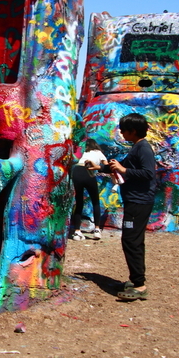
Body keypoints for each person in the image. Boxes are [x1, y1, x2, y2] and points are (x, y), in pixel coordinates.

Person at [100, 113, 156, 301]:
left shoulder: (144, 148)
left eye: (123, 130)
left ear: (133, 131)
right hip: (135, 200)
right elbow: (123, 166)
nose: (121, 133)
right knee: (132, 240)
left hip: (139, 202)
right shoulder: (136, 147)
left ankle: (139, 285)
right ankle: (136, 280)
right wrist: (99, 167)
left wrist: (124, 170)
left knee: (131, 241)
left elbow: (148, 173)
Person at [71, 138, 107, 241]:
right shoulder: (98, 152)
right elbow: (106, 164)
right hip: (88, 171)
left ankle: (77, 232)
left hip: (77, 171)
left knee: (79, 202)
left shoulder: (82, 152)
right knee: (95, 202)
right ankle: (97, 230)